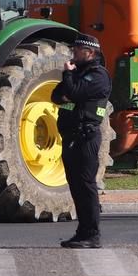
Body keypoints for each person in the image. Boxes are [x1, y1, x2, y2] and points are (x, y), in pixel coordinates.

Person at [51, 34, 111, 249]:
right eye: (73, 48)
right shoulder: (78, 74)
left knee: (86, 186)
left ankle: (92, 235)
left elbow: (72, 92)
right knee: (76, 186)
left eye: (78, 49)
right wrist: (69, 86)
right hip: (71, 137)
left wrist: (68, 77)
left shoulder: (98, 75)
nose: (73, 52)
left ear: (91, 53)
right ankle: (82, 231)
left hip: (86, 136)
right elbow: (57, 96)